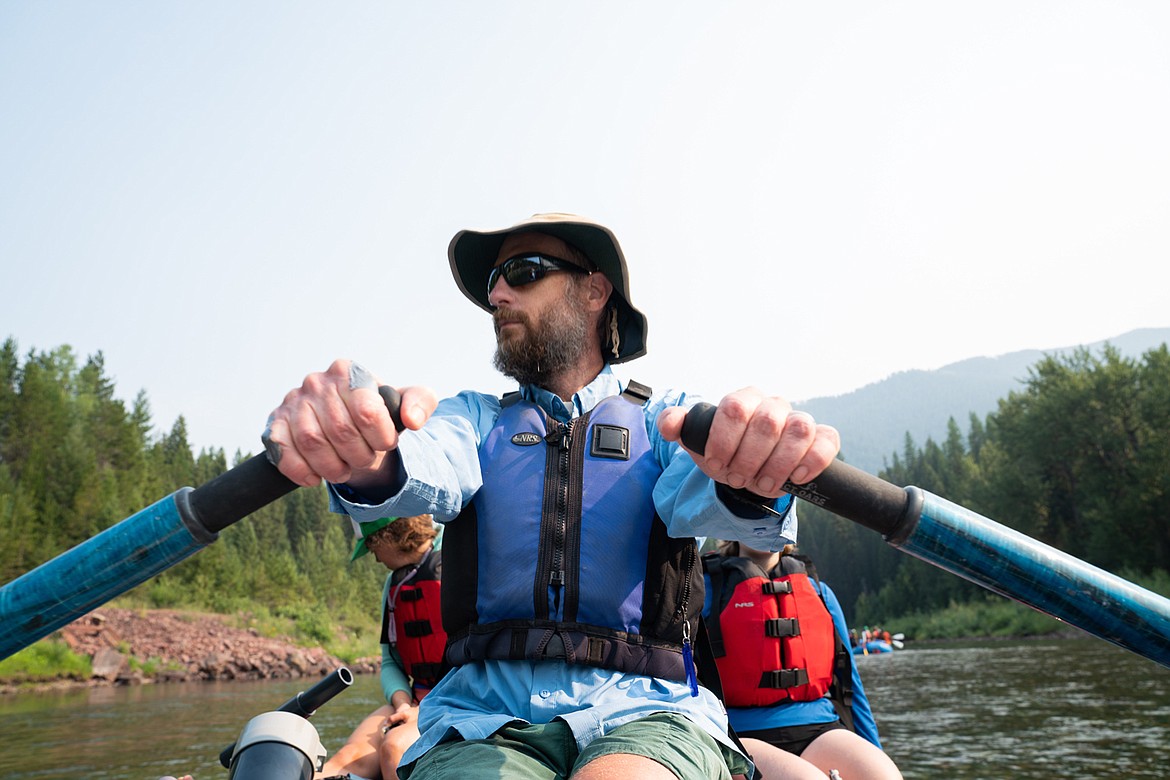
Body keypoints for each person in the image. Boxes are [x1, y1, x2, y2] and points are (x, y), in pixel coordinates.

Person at [262, 212, 841, 780]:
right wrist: (363, 452)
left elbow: (729, 506)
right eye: (493, 283)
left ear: (594, 291)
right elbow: (415, 466)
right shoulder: (473, 420)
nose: (498, 296)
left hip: (647, 710)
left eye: (524, 272)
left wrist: (755, 478)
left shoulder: (667, 421)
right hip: (480, 721)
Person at [704, 540, 902, 780]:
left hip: (820, 728)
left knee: (884, 775)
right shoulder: (706, 589)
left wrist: (873, 750)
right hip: (741, 733)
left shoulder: (819, 591)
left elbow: (853, 686)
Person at [319, 513, 444, 780]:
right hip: (414, 698)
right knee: (346, 759)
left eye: (372, 545)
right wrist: (402, 705)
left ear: (389, 535)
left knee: (394, 748)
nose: (374, 557)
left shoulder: (457, 562)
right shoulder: (393, 584)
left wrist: (422, 711)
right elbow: (390, 662)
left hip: (460, 700)